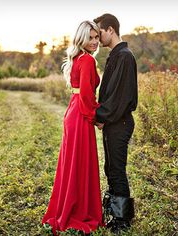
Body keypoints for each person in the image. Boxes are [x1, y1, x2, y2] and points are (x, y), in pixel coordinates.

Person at [42, 21, 103, 235]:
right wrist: (96, 117)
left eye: (97, 37)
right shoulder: (86, 60)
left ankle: (69, 205)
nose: (95, 42)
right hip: (81, 114)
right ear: (81, 38)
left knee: (73, 163)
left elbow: (81, 92)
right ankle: (78, 210)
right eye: (91, 38)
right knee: (80, 163)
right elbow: (86, 94)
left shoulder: (78, 58)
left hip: (73, 112)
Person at [94, 13, 138, 234]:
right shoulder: (115, 55)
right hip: (113, 122)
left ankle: (123, 220)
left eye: (99, 32)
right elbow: (109, 93)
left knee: (117, 170)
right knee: (110, 168)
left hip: (119, 122)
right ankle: (115, 214)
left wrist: (101, 116)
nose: (97, 37)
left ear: (110, 30)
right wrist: (102, 117)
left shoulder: (124, 56)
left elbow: (120, 97)